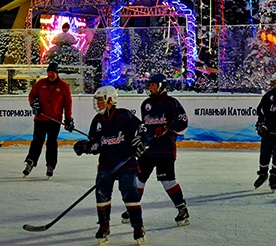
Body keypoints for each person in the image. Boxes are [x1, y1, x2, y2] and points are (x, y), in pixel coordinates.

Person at [73, 86, 146, 245]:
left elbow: (143, 128)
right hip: (106, 162)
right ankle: (104, 226)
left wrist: (141, 140)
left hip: (126, 161)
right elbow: (97, 145)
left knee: (129, 192)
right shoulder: (97, 121)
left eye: (101, 100)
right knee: (102, 192)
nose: (98, 103)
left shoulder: (124, 115)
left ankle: (137, 227)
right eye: (97, 100)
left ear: (110, 100)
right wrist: (86, 147)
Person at [122, 72, 190, 227]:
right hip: (148, 150)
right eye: (149, 85)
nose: (150, 87)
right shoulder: (145, 104)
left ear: (161, 86)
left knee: (167, 181)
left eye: (153, 85)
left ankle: (182, 209)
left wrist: (167, 127)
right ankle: (132, 209)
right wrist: (141, 138)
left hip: (165, 150)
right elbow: (145, 127)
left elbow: (183, 124)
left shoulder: (172, 103)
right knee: (138, 179)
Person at [23, 62, 73, 178]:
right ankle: (30, 161)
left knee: (51, 142)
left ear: (57, 73)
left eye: (53, 72)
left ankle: (50, 165)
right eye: (49, 72)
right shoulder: (40, 84)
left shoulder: (64, 86)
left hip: (54, 121)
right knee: (37, 141)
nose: (51, 74)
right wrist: (34, 104)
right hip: (40, 118)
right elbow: (32, 95)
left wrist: (68, 119)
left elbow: (68, 104)